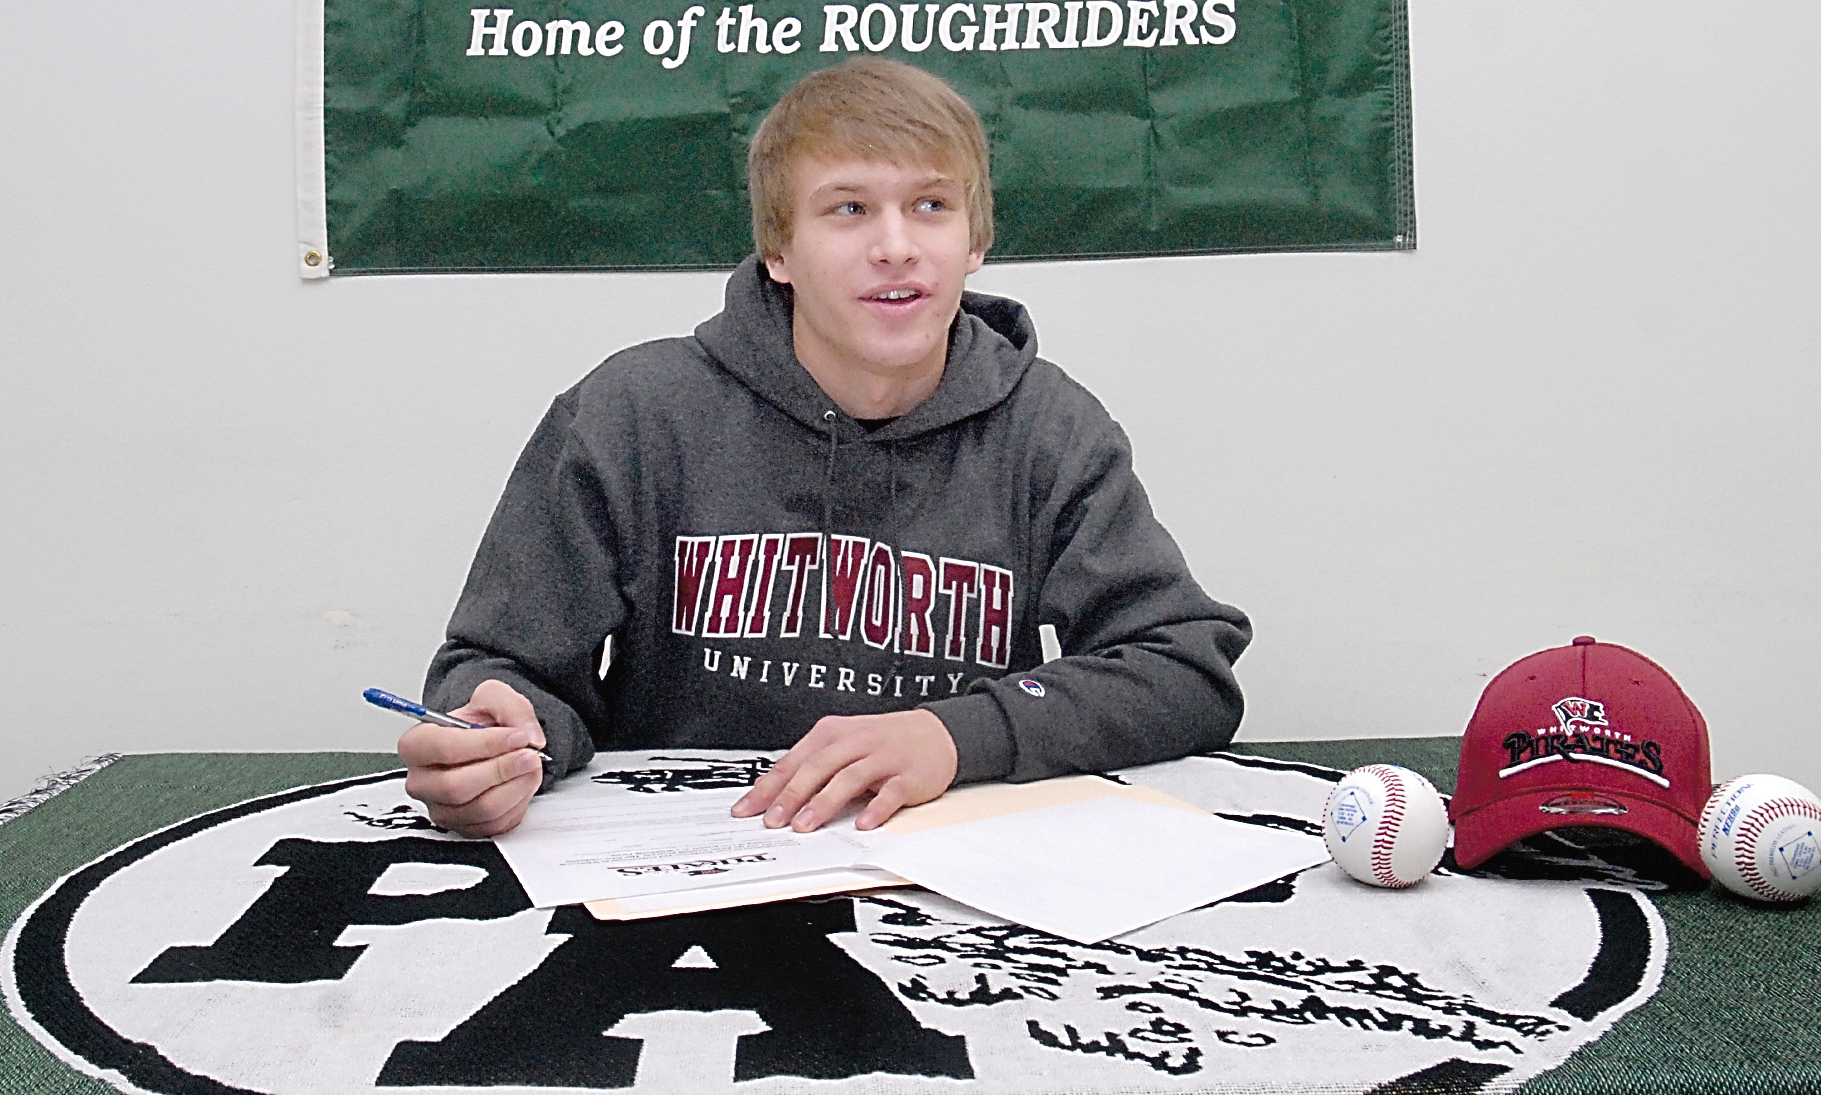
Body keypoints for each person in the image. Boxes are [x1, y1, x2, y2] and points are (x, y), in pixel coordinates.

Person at [400, 57, 1250, 839]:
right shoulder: (632, 413)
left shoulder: (1049, 428)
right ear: (779, 250)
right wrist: (501, 736)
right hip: (685, 857)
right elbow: (503, 665)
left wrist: (955, 735)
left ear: (975, 242)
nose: (895, 245)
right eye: (848, 209)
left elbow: (1183, 669)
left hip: (945, 863)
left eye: (931, 205)